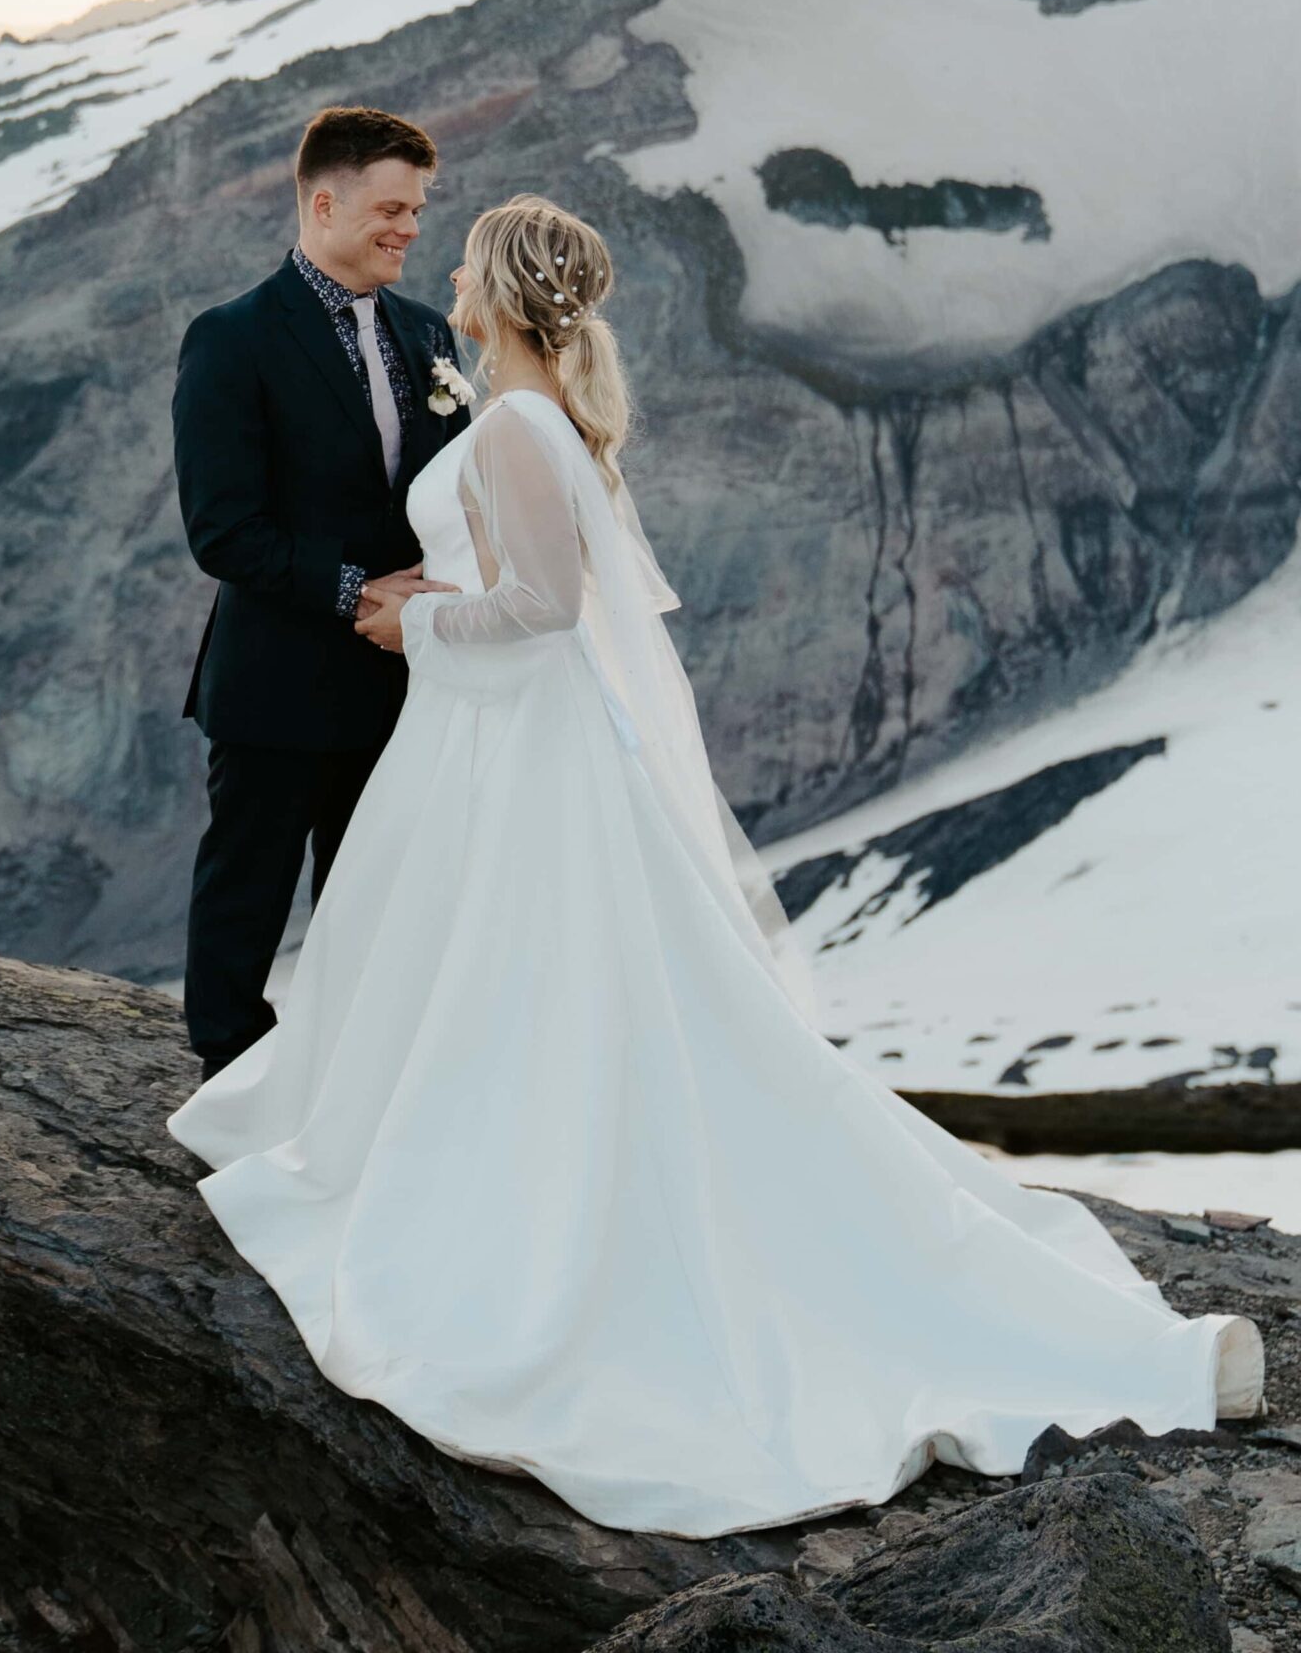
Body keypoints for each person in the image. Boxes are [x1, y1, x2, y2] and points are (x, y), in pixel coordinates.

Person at [168, 191, 1264, 1536]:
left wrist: (418, 624)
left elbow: (545, 609)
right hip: (489, 743)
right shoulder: (529, 420)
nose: (442, 272)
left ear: (502, 294)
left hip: (507, 738)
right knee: (511, 977)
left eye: (463, 261)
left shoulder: (514, 425)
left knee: (525, 977)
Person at [169, 105, 470, 1078]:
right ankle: (226, 1084)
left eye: (418, 210)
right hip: (276, 680)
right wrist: (356, 594)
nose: (409, 228)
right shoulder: (232, 338)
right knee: (247, 890)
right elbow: (222, 529)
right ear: (323, 200)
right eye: (392, 207)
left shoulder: (428, 335)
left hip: (398, 686)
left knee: (368, 896)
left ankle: (344, 1082)